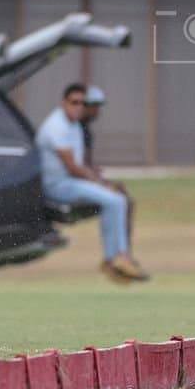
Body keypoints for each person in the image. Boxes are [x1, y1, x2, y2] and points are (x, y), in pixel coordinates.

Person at [37, 83, 149, 283]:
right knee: (115, 201)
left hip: (69, 181)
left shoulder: (74, 125)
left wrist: (100, 180)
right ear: (63, 102)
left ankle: (117, 258)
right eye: (74, 102)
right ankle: (117, 258)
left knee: (116, 200)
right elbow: (74, 167)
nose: (79, 106)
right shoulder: (58, 126)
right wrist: (102, 184)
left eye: (83, 103)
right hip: (57, 185)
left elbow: (83, 164)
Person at [79, 85, 138, 245]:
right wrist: (100, 182)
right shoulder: (76, 129)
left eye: (98, 106)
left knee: (123, 195)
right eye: (94, 106)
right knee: (121, 200)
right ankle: (119, 252)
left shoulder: (84, 129)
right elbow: (79, 164)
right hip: (77, 181)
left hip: (86, 178)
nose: (97, 111)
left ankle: (122, 250)